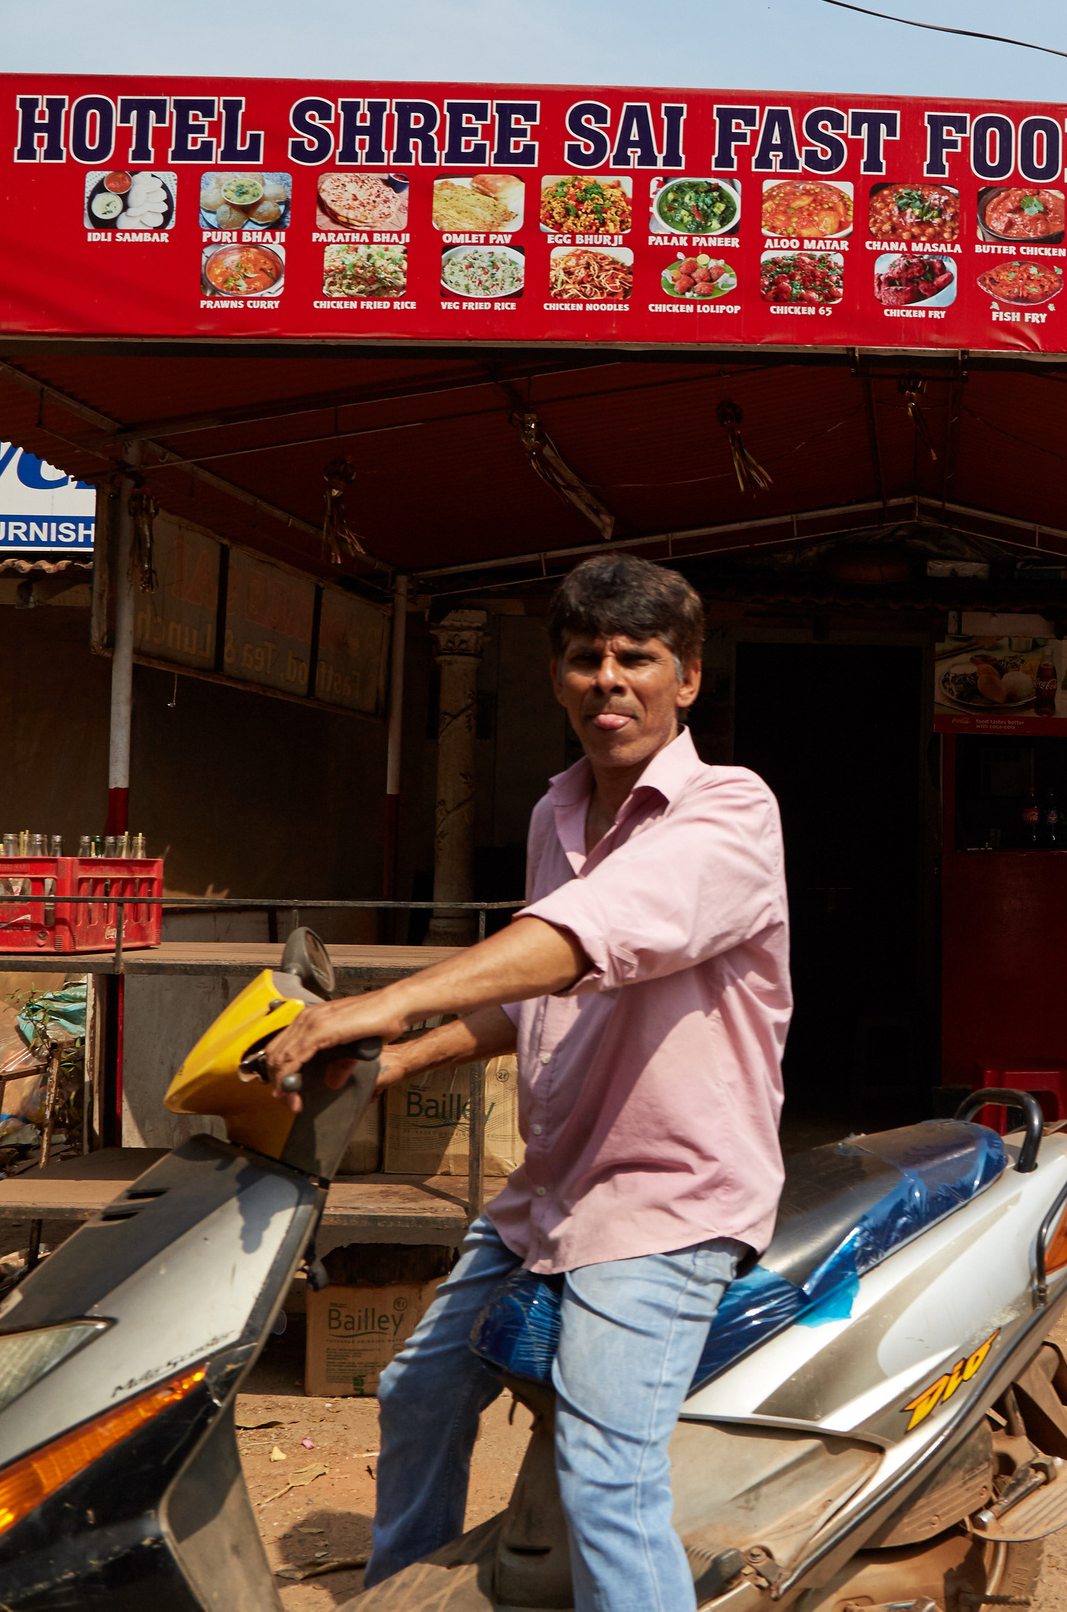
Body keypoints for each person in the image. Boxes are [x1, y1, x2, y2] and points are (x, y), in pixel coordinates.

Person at [264, 555, 790, 1611]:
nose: (610, 680)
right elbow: (540, 993)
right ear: (555, 678)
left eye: (637, 658)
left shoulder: (729, 811)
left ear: (685, 681)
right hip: (550, 1186)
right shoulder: (559, 814)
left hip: (664, 1197)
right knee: (417, 1389)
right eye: (586, 658)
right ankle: (398, 1592)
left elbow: (582, 938)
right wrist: (395, 1066)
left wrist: (386, 1003)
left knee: (608, 1471)